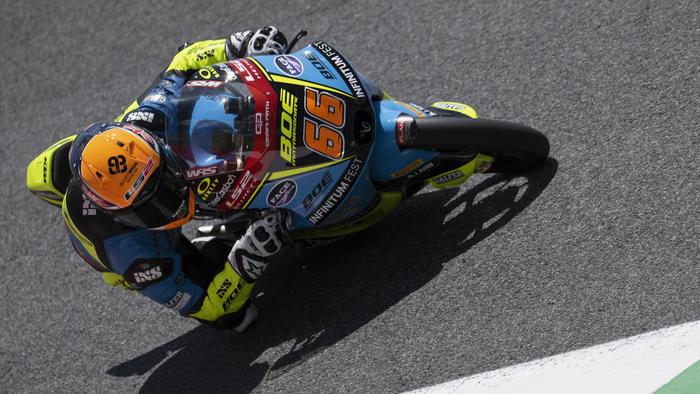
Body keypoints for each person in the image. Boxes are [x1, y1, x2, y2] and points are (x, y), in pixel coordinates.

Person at [26, 26, 290, 331]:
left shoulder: (145, 121)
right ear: (122, 214)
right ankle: (225, 234)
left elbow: (185, 60)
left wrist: (239, 44)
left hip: (110, 164)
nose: (172, 201)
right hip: (121, 244)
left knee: (41, 170)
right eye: (152, 204)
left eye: (163, 181)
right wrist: (247, 259)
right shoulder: (136, 258)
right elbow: (209, 308)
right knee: (237, 318)